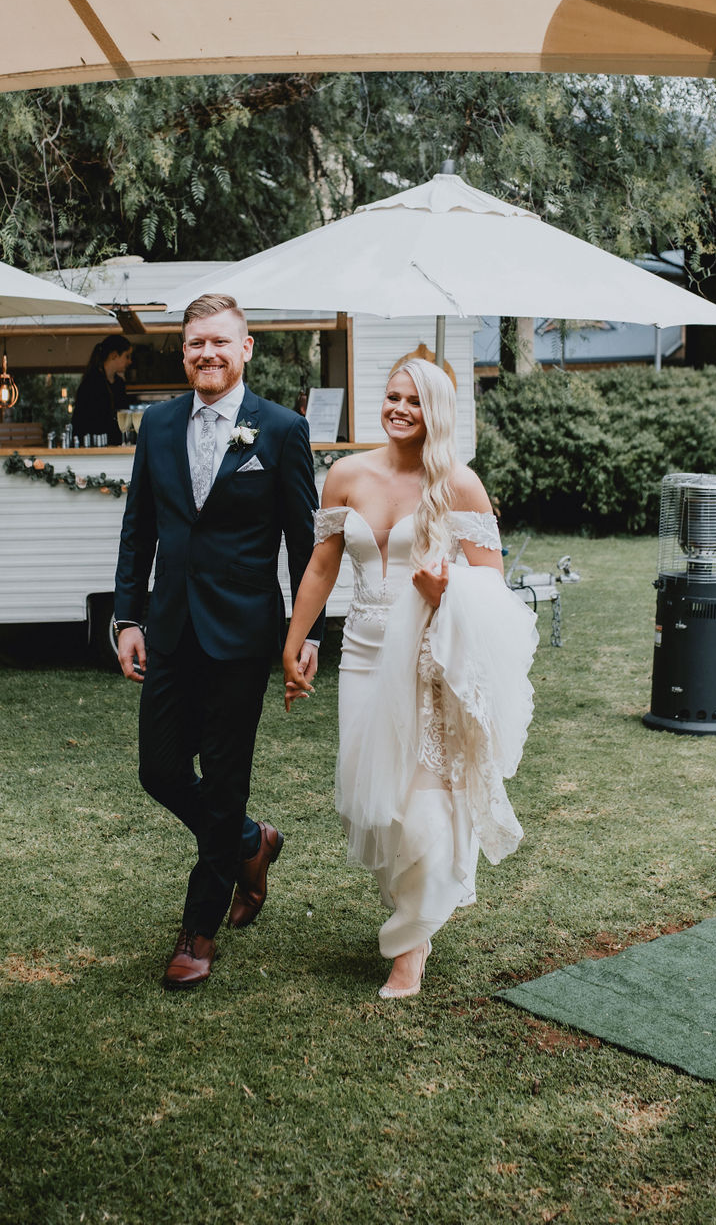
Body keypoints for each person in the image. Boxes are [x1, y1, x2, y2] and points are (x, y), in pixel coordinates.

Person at [283, 359, 537, 999]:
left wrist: (445, 587)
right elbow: (321, 566)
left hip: (429, 662)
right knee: (377, 806)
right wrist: (295, 641)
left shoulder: (459, 485)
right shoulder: (346, 475)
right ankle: (410, 915)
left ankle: (410, 947)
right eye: (392, 396)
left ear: (437, 413)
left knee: (423, 808)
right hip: (365, 659)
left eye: (413, 401)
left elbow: (494, 588)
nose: (398, 409)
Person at [113, 294, 322, 990]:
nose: (207, 353)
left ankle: (197, 931)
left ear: (246, 349)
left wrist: (305, 634)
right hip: (170, 627)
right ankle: (246, 841)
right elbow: (138, 528)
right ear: (184, 353)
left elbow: (306, 545)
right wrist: (128, 618)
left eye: (220, 343)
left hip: (241, 634)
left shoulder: (283, 431)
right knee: (159, 770)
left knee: (226, 778)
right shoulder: (159, 424)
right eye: (195, 343)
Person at [72, 334, 132, 444]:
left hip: (116, 446)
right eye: (127, 356)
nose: (130, 361)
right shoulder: (91, 383)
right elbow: (82, 422)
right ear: (114, 355)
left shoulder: (119, 383)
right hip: (94, 446)